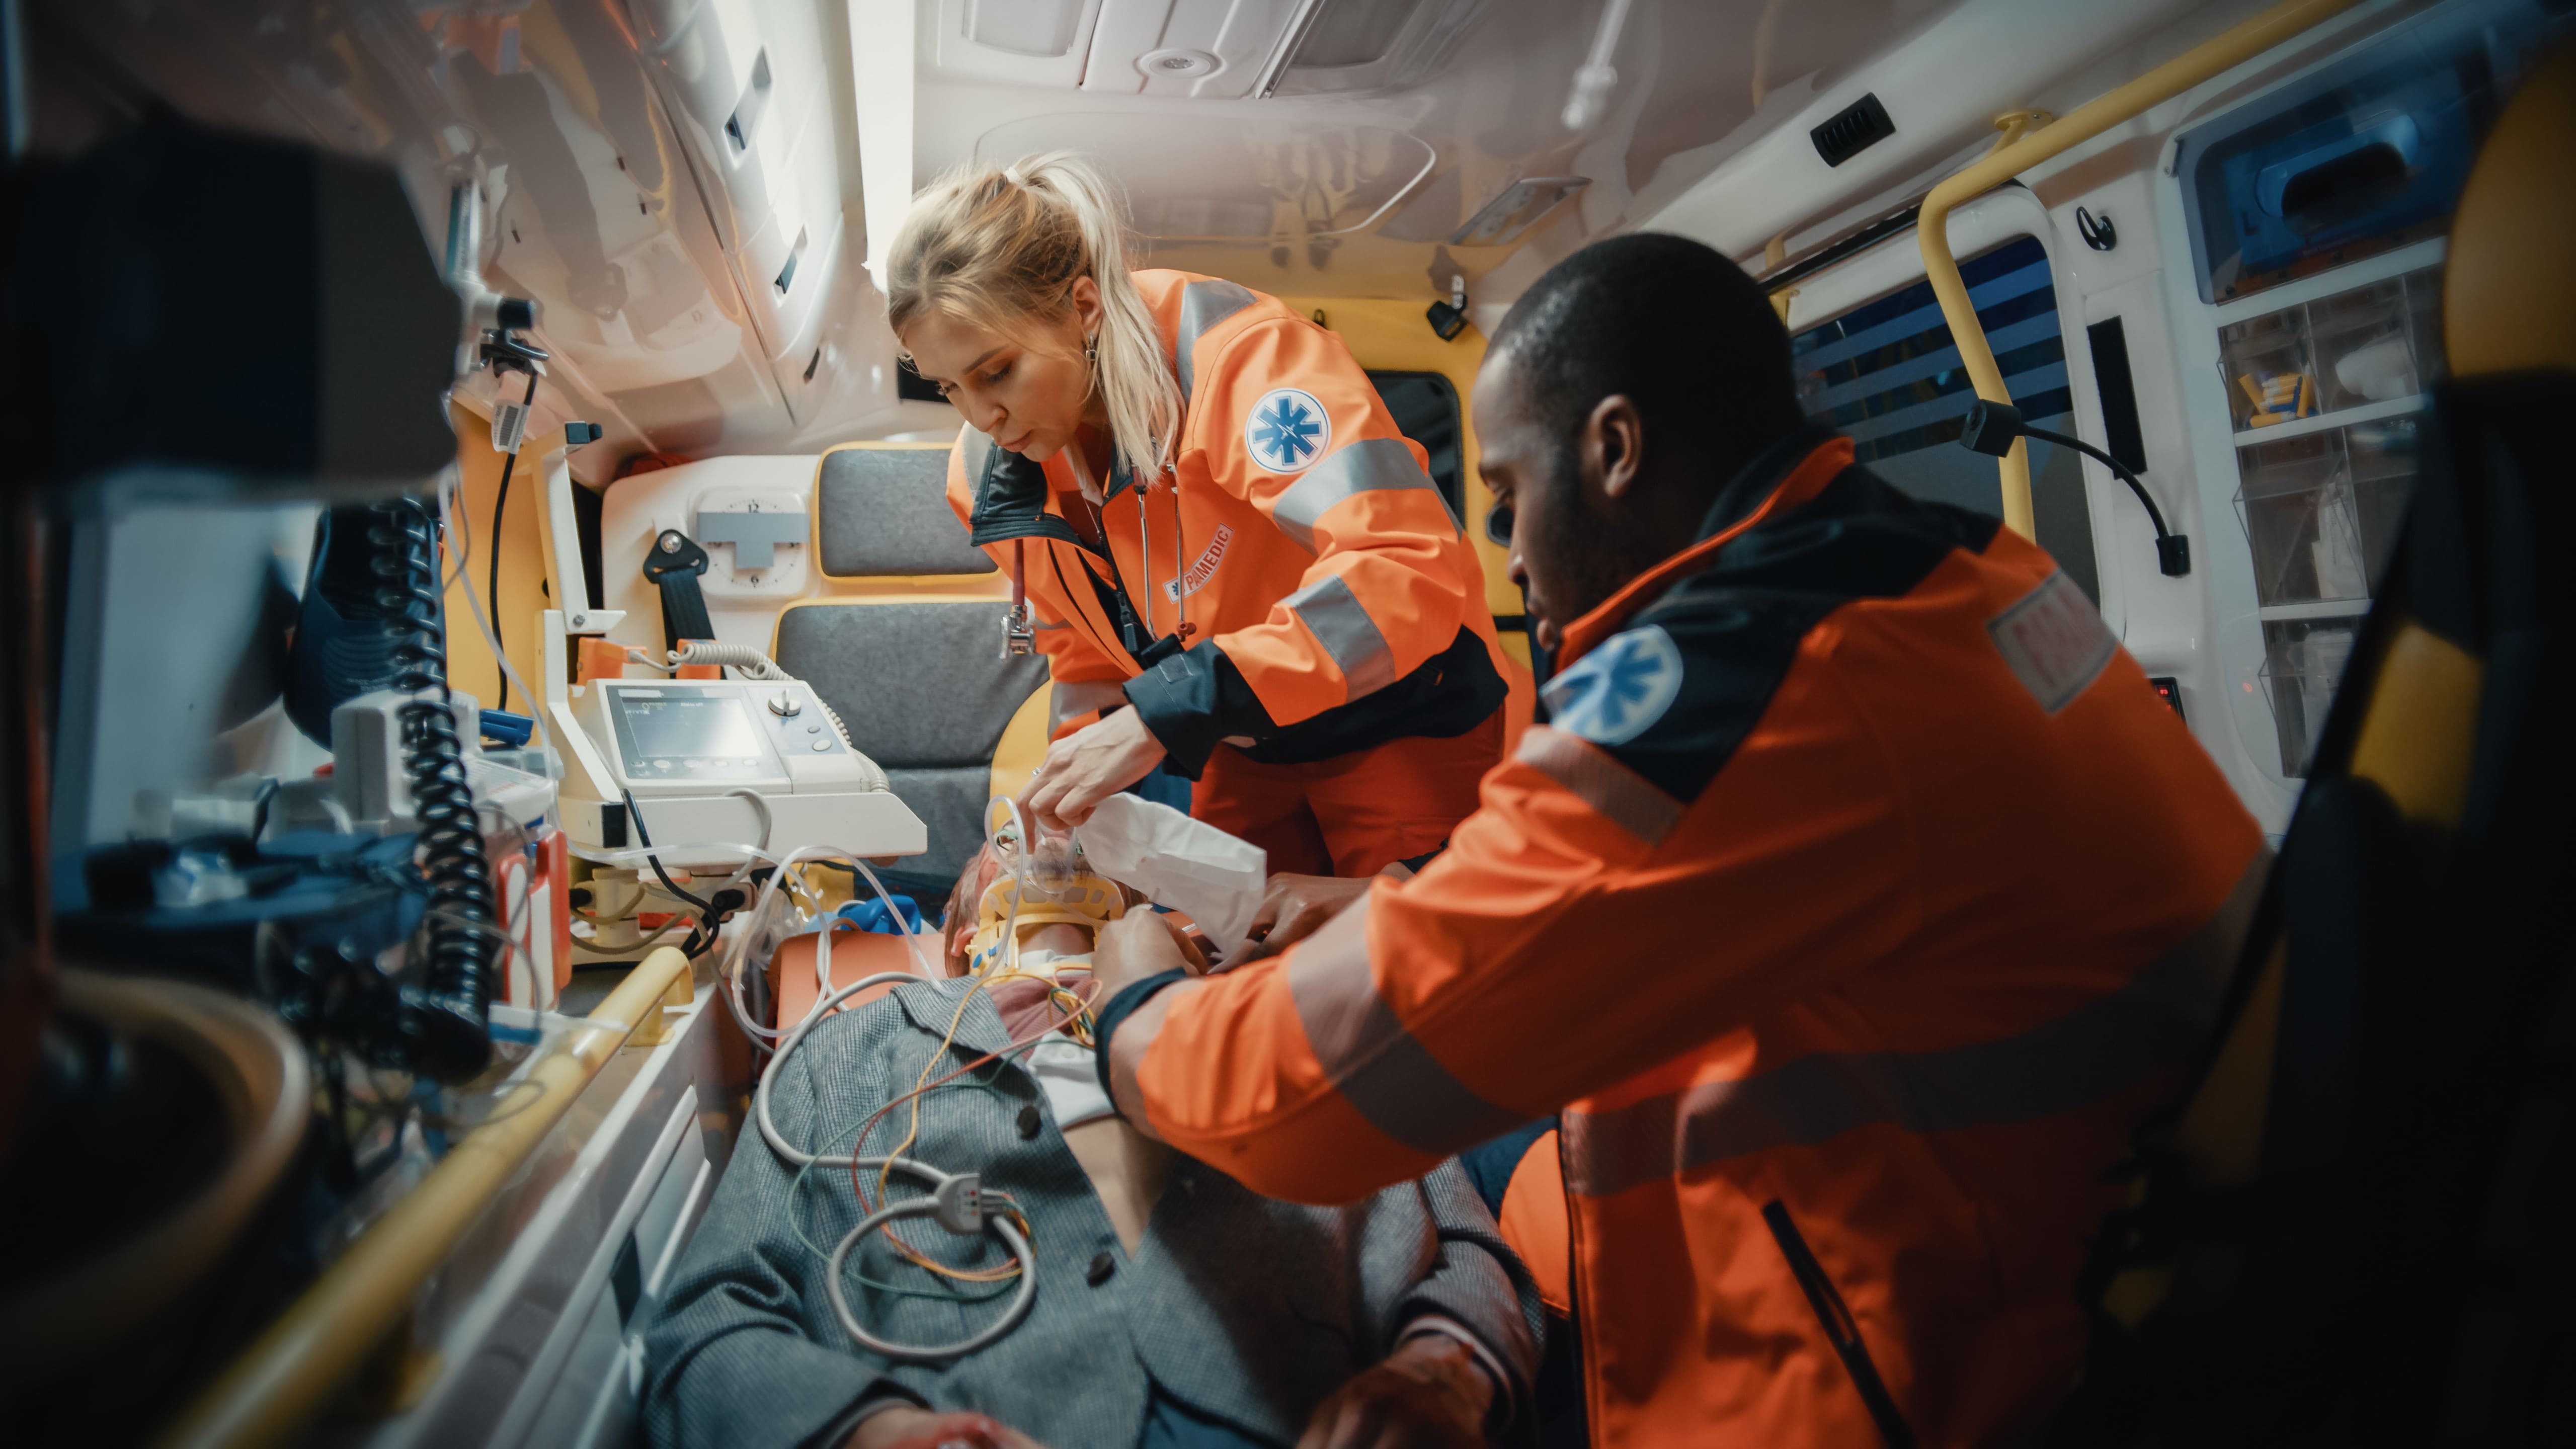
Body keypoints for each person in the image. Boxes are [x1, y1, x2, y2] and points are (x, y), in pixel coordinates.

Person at [1078, 233, 2271, 1445]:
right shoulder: (1953, 571)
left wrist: (1134, 1010)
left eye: (1506, 496)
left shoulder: (1744, 678)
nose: (1510, 555)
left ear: (1611, 449)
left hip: (1935, 1374)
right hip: (2044, 1242)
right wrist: (1397, 894)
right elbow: (1684, 875)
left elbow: (1307, 1103)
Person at [642, 842, 1543, 1449]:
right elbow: (711, 1319)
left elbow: (1465, 1241)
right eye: (1016, 828)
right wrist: (871, 1429)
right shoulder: (855, 1047)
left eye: (1083, 827)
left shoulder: (1282, 1009)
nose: (1051, 826)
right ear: (959, 939)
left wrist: (1446, 1366)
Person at [890, 152, 1528, 878]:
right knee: (1225, 962)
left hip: (1403, 719)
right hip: (1245, 734)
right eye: (949, 389)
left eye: (997, 371)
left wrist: (1174, 710)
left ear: (1084, 308)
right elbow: (1088, 656)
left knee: (1390, 975)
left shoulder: (1243, 359)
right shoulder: (983, 479)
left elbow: (1406, 571)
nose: (983, 417)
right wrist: (1061, 812)